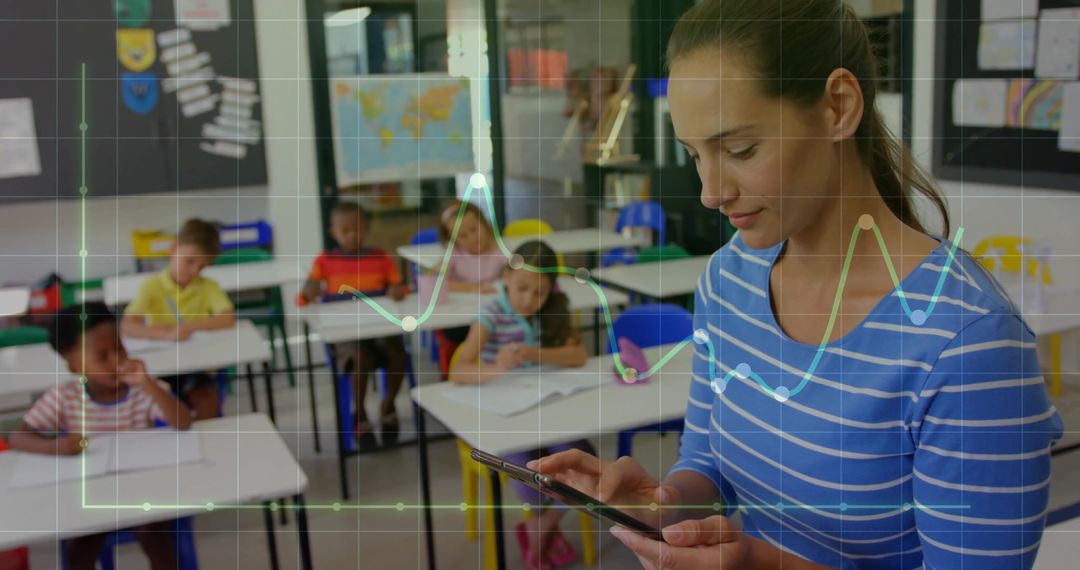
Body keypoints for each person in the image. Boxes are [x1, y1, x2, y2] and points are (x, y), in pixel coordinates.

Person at [532, 1, 1064, 569]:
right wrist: (661, 504)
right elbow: (709, 462)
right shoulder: (728, 281)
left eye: (740, 150)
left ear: (838, 107)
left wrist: (762, 564)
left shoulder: (967, 341)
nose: (711, 192)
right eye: (695, 155)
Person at [10, 303, 192, 570]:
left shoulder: (141, 390)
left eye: (119, 348)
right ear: (75, 366)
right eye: (102, 356)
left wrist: (148, 383)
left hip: (142, 491)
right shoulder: (66, 397)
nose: (117, 362)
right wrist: (58, 446)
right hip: (90, 498)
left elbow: (184, 422)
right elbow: (18, 437)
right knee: (81, 547)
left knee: (156, 537)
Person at [449, 241, 589, 570]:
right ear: (507, 278)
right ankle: (540, 539)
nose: (529, 300)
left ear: (550, 289)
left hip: (545, 412)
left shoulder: (552, 310)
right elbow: (458, 370)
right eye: (522, 288)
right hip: (502, 419)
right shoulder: (491, 315)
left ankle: (538, 531)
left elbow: (578, 355)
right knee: (527, 472)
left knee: (582, 463)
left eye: (539, 292)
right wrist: (497, 368)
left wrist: (532, 353)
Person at [299, 201, 408, 447]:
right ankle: (359, 413)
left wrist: (395, 290)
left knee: (398, 352)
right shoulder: (325, 261)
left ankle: (388, 403)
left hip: (379, 327)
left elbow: (398, 286)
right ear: (333, 233)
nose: (352, 236)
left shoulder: (380, 256)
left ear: (367, 229)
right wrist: (311, 290)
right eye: (345, 231)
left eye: (358, 229)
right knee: (360, 357)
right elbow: (306, 295)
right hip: (347, 335)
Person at [122, 218, 235, 420]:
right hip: (162, 367)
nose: (193, 271)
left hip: (197, 365)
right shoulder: (152, 286)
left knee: (207, 401)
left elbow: (227, 318)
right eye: (189, 261)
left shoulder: (207, 286)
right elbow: (127, 326)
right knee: (164, 406)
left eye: (201, 266)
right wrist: (161, 333)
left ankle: (203, 444)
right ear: (173, 249)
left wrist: (190, 327)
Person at [434, 200, 505, 377]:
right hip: (459, 317)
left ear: (485, 224)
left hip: (490, 312)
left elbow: (513, 276)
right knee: (453, 335)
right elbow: (440, 283)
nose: (473, 237)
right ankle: (451, 374)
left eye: (475, 229)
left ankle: (492, 371)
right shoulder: (455, 255)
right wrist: (474, 288)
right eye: (463, 236)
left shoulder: (498, 251)